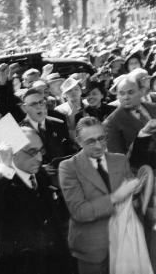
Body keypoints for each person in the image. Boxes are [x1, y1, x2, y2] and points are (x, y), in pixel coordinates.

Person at [0, 127, 71, 274]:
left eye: (41, 150)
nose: (40, 158)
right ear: (13, 153)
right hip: (21, 265)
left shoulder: (40, 175)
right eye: (31, 152)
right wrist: (4, 166)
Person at [59, 117, 140, 274]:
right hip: (92, 250)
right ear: (78, 141)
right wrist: (115, 197)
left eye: (102, 138)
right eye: (90, 141)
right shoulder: (68, 167)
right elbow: (79, 212)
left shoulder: (120, 160)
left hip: (124, 243)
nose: (98, 145)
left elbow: (133, 198)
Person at [105, 74, 156, 154]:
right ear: (117, 96)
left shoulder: (153, 107)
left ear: (141, 91)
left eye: (131, 92)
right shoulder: (111, 123)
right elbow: (118, 160)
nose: (126, 97)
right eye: (122, 93)